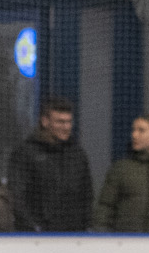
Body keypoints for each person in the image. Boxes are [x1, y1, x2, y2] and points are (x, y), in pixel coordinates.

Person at [7, 97, 95, 232]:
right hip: (36, 238)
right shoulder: (25, 153)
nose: (66, 127)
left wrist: (85, 227)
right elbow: (17, 196)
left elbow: (87, 196)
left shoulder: (78, 155)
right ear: (45, 121)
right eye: (60, 122)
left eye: (69, 122)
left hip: (74, 237)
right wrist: (34, 228)